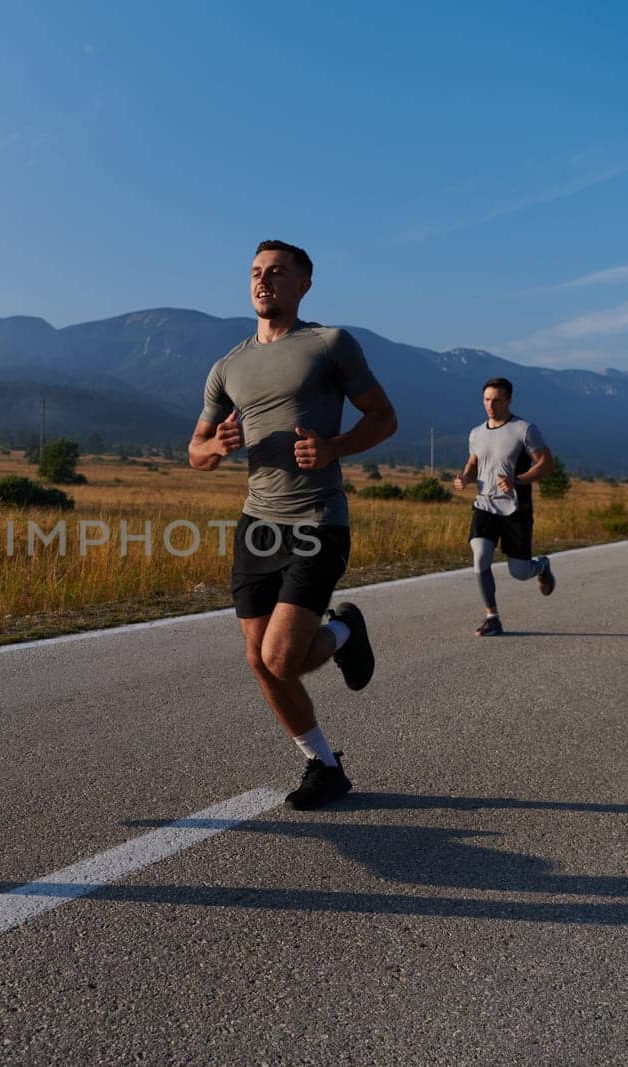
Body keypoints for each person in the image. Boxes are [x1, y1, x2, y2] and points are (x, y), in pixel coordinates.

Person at [189, 240, 398, 811]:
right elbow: (195, 452)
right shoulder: (227, 366)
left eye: (277, 273)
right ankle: (323, 765)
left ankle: (345, 630)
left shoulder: (330, 344)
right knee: (261, 662)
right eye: (256, 273)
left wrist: (334, 447)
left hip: (317, 520)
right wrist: (218, 445)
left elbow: (384, 417)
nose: (264, 281)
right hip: (257, 524)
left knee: (282, 659)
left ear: (303, 284)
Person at [452, 377, 556, 637]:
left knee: (519, 572)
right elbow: (474, 460)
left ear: (509, 400)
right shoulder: (476, 433)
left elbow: (546, 463)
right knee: (480, 558)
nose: (491, 405)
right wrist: (465, 476)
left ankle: (541, 566)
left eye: (497, 400)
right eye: (487, 399)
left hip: (515, 509)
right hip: (484, 505)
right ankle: (492, 618)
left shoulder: (524, 429)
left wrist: (518, 480)